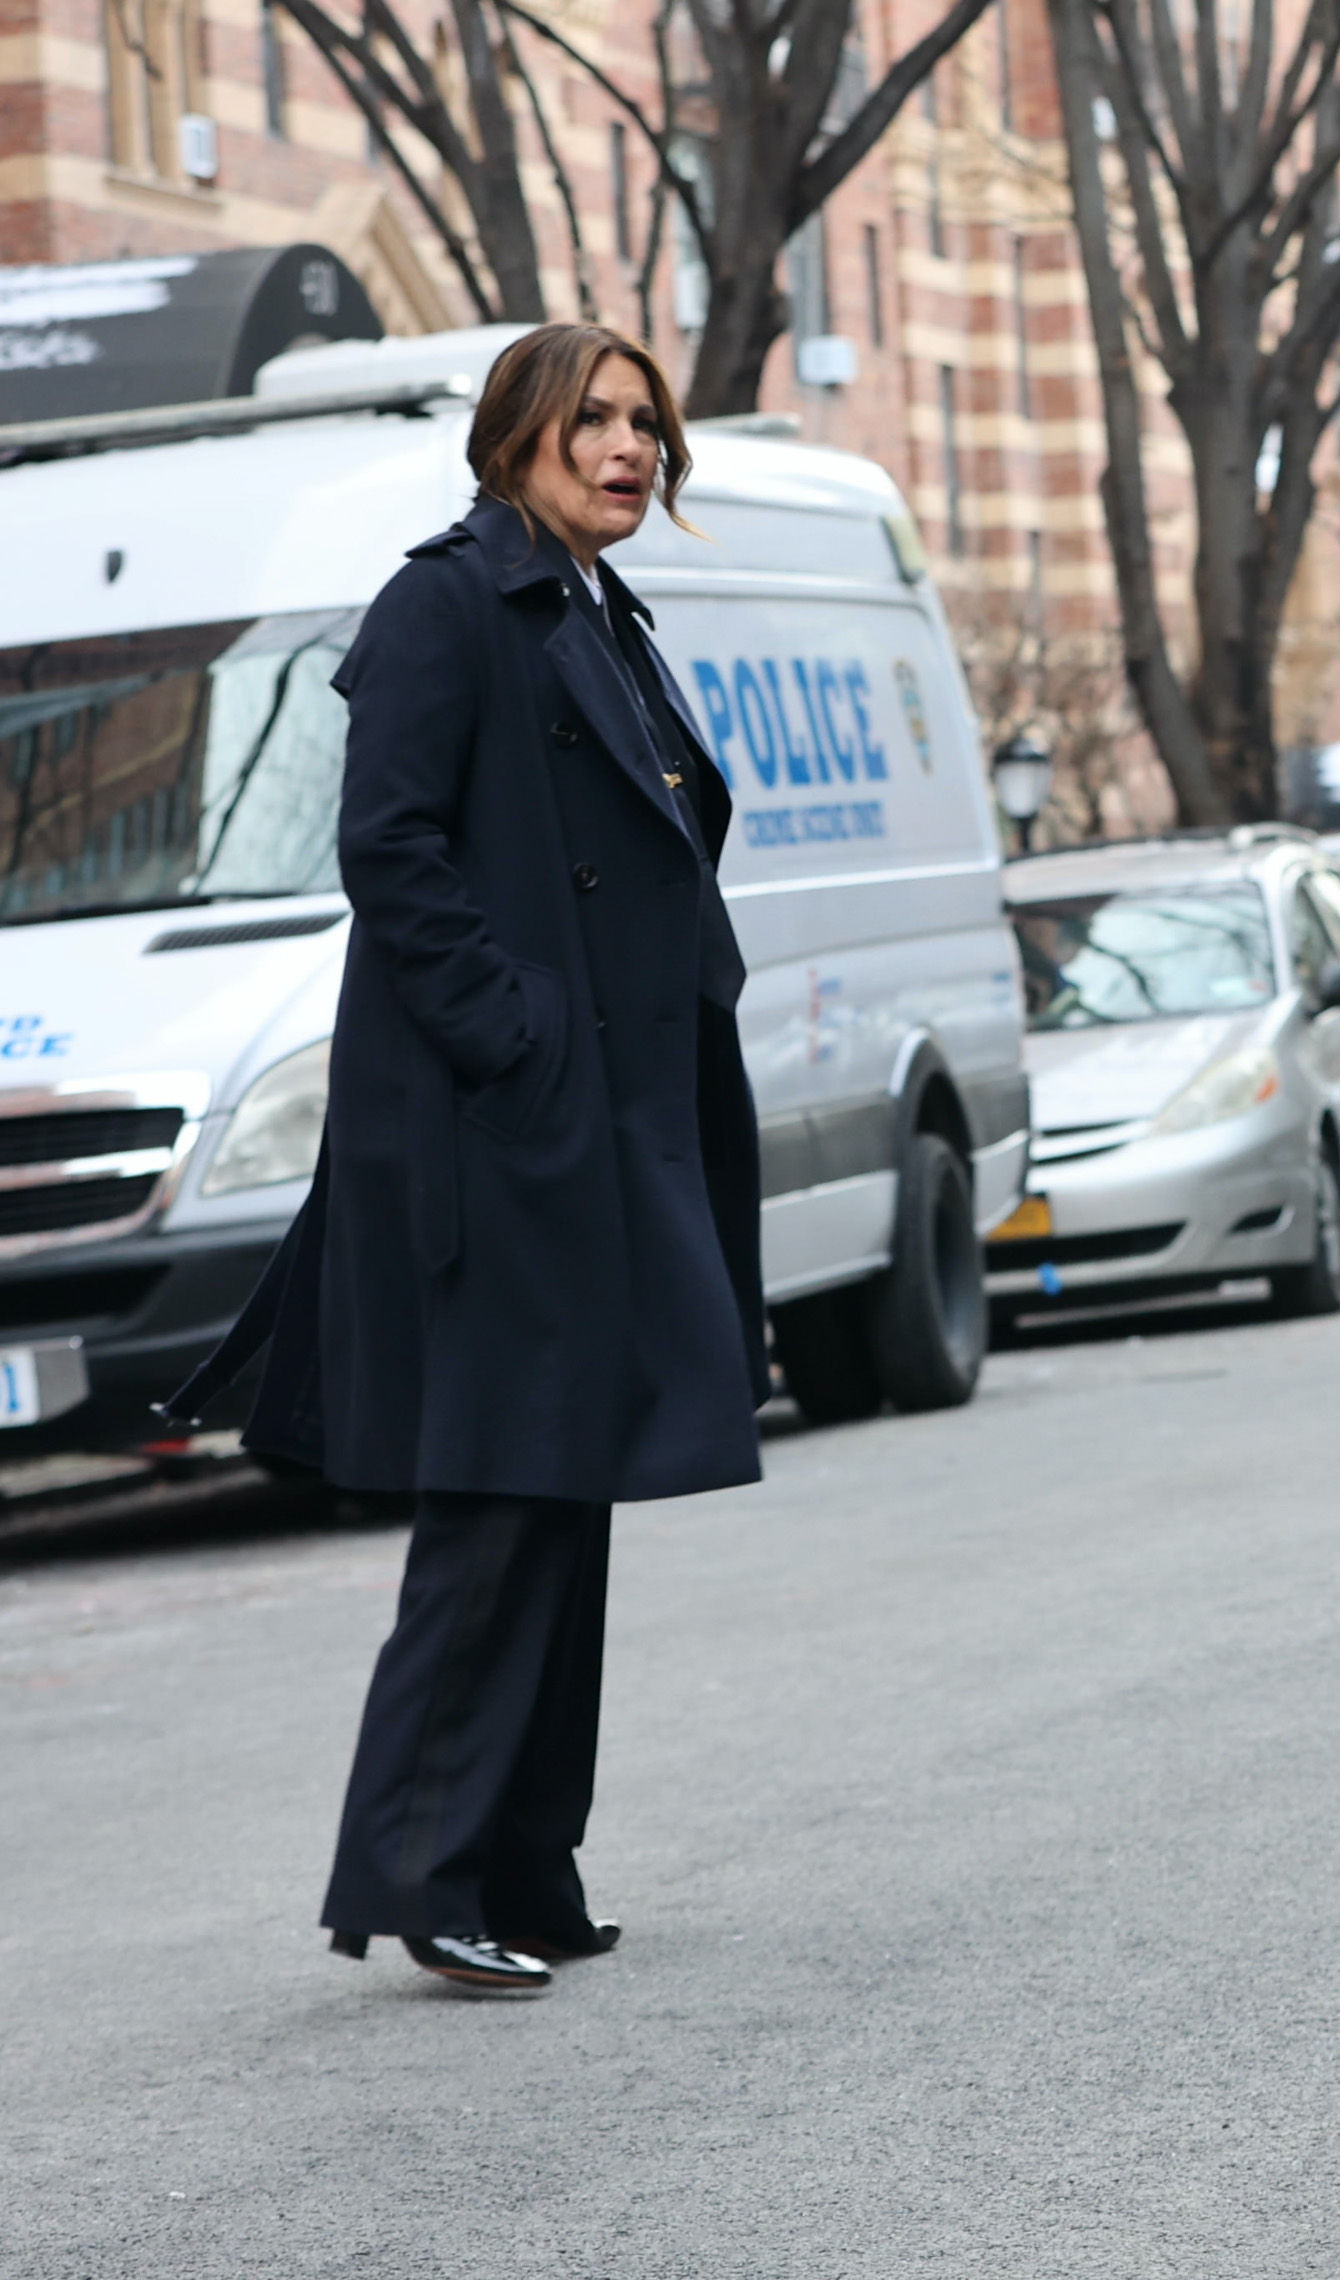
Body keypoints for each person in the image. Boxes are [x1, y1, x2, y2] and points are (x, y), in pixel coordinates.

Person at [168, 325, 766, 1997]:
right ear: (518, 436)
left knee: (568, 1493)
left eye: (648, 424)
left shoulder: (596, 609)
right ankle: (420, 1872)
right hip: (505, 1138)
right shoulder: (447, 603)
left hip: (600, 1127)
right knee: (501, 1502)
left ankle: (523, 1856)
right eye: (598, 421)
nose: (632, 448)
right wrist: (523, 1041)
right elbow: (390, 847)